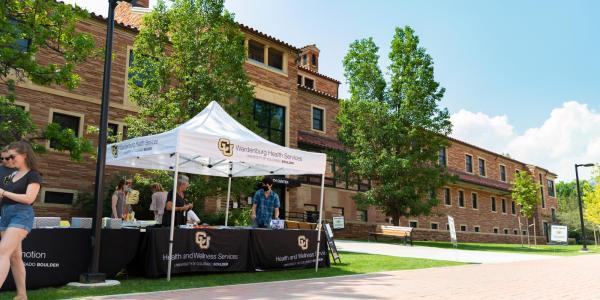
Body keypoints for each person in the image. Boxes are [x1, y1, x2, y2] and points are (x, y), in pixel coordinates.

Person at [0, 141, 43, 300]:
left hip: (21, 214)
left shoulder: (34, 174)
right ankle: (22, 295)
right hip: (5, 214)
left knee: (2, 251)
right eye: (7, 157)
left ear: (24, 155)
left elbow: (29, 198)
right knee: (14, 257)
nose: (9, 160)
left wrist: (4, 193)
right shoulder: (11, 175)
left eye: (12, 156)